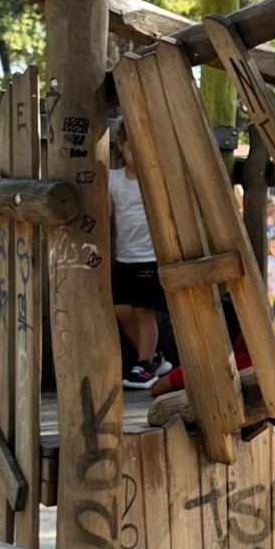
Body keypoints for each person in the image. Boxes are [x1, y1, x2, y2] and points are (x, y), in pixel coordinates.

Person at [110, 118, 173, 389]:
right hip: (125, 257)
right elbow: (107, 214)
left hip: (150, 256)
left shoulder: (156, 179)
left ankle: (144, 365)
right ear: (121, 147)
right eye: (131, 148)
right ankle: (154, 358)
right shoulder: (114, 180)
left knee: (143, 311)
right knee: (122, 311)